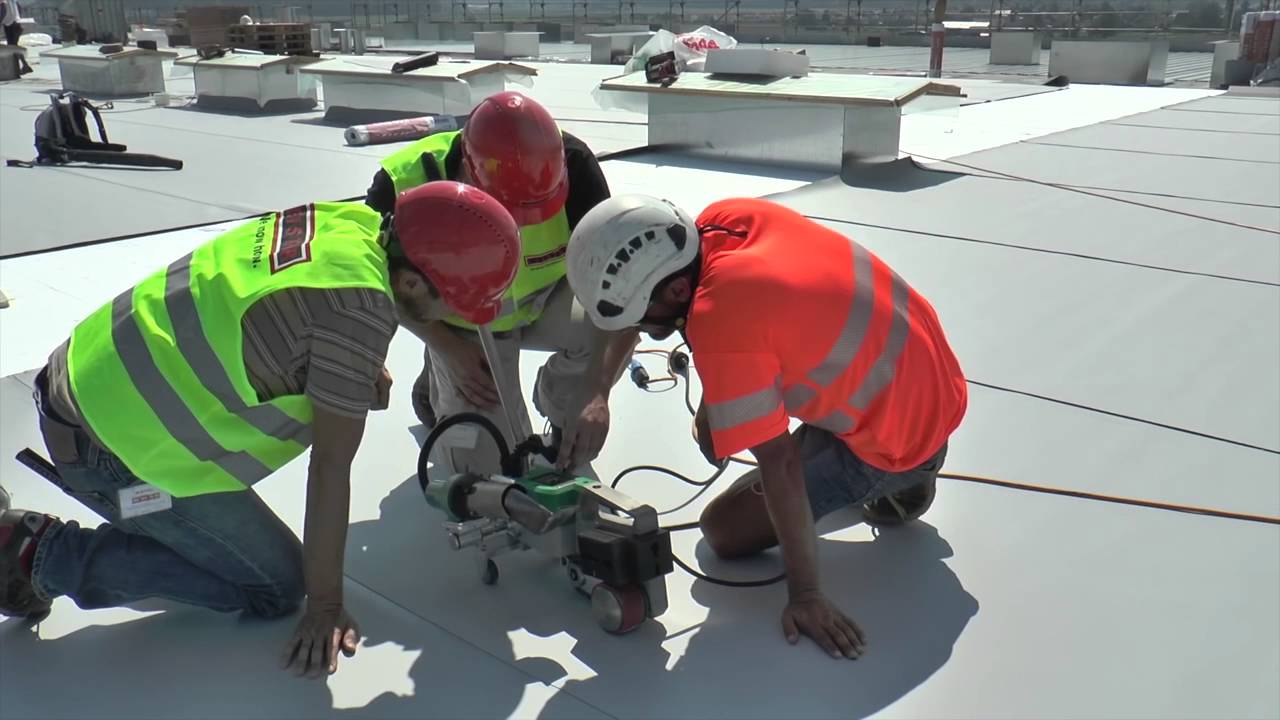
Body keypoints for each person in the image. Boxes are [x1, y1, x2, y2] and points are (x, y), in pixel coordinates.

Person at [0, 182, 521, 679]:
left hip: (84, 375)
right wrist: (326, 606)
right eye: (450, 304)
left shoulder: (349, 223)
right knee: (276, 585)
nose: (451, 318)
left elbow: (297, 312)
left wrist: (348, 359)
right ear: (409, 282)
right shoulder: (358, 312)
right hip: (112, 456)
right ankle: (37, 553)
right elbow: (331, 470)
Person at [565, 195, 968, 660]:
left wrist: (806, 595)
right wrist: (597, 393)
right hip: (929, 382)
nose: (640, 327)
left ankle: (905, 477)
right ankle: (908, 464)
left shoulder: (724, 323)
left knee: (723, 530)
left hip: (897, 438)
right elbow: (682, 310)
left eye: (641, 316)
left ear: (676, 291)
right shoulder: (725, 221)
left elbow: (780, 465)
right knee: (732, 415)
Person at [365, 90, 628, 477]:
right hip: (464, 322)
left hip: (545, 297)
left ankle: (558, 405)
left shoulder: (575, 165)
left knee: (599, 340)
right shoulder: (403, 185)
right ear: (467, 172)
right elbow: (376, 286)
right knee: (489, 470)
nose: (519, 226)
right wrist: (448, 346)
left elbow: (619, 287)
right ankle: (437, 380)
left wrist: (595, 391)